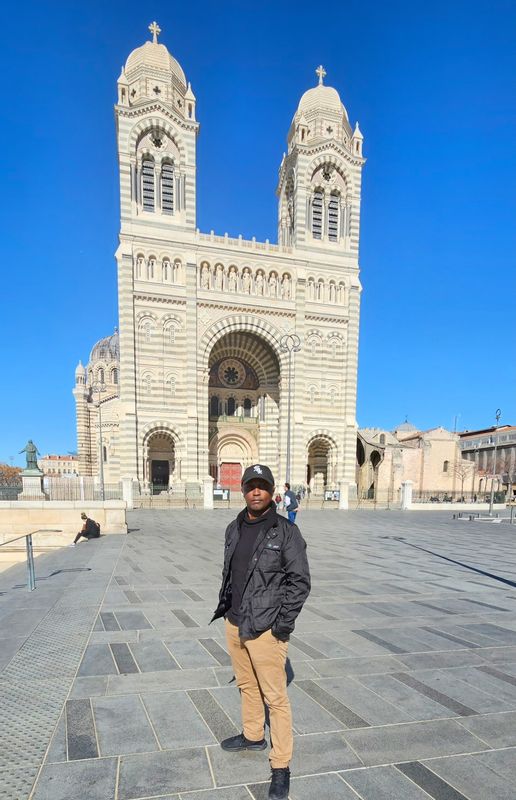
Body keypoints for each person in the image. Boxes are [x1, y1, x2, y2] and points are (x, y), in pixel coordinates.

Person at [211, 464, 310, 800]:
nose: (256, 492)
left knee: (276, 699)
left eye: (262, 486)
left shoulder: (286, 532)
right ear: (243, 489)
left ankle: (281, 765)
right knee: (246, 684)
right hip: (235, 621)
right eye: (251, 486)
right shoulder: (233, 527)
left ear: (272, 493)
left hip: (266, 627)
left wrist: (282, 627)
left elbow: (300, 582)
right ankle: (253, 736)